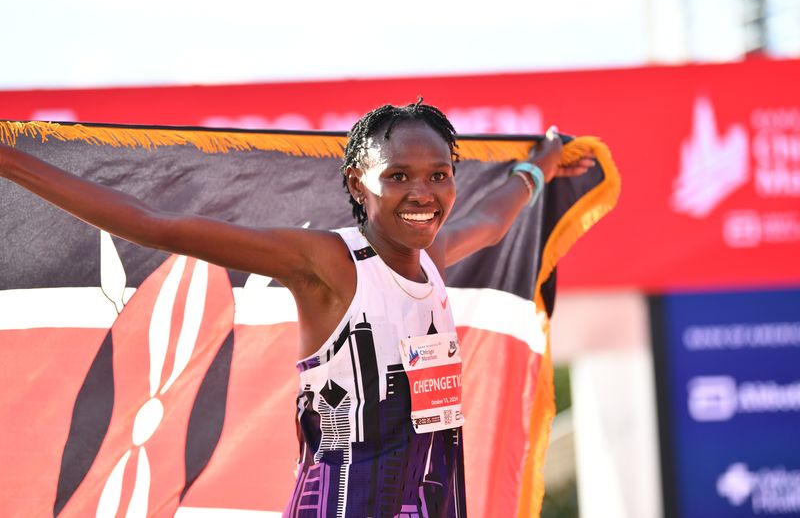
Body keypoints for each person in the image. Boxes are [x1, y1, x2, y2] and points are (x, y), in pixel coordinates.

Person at [0, 101, 593, 517]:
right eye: (399, 176)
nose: (423, 192)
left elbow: (492, 223)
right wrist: (10, 160)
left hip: (428, 500)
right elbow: (157, 226)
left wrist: (538, 165)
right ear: (359, 185)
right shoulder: (328, 263)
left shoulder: (432, 255)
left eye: (440, 175)